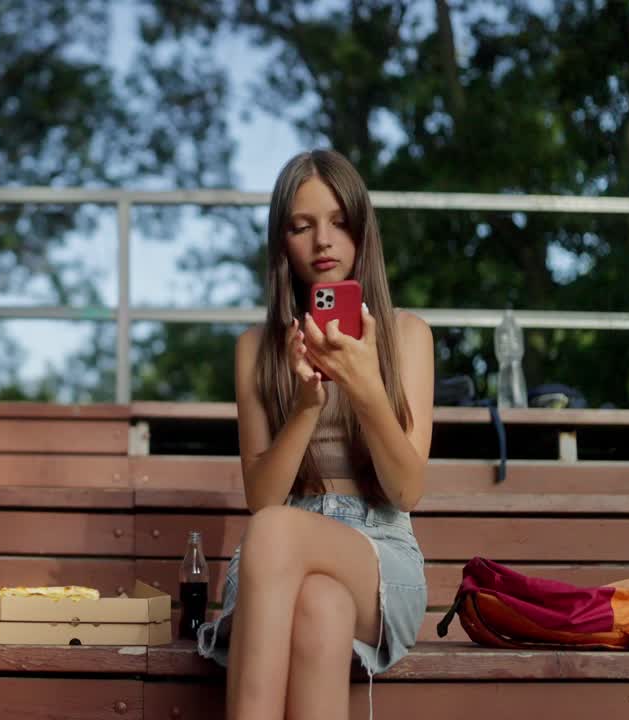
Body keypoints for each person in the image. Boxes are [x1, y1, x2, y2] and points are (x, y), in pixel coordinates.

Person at [196, 149, 434, 720]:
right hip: (276, 566)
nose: (323, 241)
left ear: (361, 231)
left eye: (338, 222)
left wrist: (364, 385)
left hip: (378, 552)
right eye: (302, 226)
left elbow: (406, 491)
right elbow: (263, 497)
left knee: (275, 533)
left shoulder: (406, 336)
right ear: (283, 243)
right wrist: (307, 405)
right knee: (321, 605)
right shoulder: (257, 347)